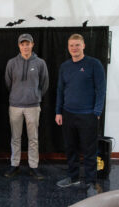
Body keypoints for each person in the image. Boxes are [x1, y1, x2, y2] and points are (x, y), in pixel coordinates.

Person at [55, 34, 106, 193]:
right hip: (68, 113)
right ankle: (73, 177)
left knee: (89, 150)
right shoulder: (65, 66)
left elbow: (101, 89)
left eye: (77, 45)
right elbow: (60, 90)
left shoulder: (94, 64)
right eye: (71, 45)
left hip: (88, 115)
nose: (74, 48)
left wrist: (97, 111)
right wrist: (58, 111)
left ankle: (91, 181)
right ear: (68, 47)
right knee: (70, 148)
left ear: (83, 45)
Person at [4, 33, 49, 179]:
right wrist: (17, 95)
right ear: (19, 46)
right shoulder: (11, 63)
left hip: (33, 106)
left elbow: (44, 84)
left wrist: (36, 96)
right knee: (15, 137)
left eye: (27, 44)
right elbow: (8, 83)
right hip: (15, 106)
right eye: (22, 44)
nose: (25, 46)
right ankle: (14, 165)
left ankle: (33, 166)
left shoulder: (40, 63)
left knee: (33, 138)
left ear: (32, 44)